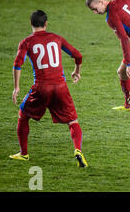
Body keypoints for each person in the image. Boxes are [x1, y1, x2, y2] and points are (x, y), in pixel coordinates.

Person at [10, 10, 88, 167]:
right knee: (73, 121)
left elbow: (18, 63)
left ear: (30, 23)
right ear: (46, 24)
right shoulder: (56, 38)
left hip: (41, 87)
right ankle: (78, 150)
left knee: (23, 115)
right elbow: (77, 55)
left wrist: (16, 87)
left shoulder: (26, 42)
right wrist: (76, 71)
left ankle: (24, 153)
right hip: (61, 86)